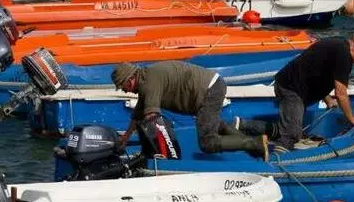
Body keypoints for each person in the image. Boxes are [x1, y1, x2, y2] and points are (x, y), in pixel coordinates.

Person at [236, 32, 354, 152]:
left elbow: (317, 71)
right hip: (291, 88)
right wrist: (352, 119)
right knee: (290, 136)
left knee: (290, 130)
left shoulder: (339, 44)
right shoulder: (344, 55)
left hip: (293, 86)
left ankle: (242, 125)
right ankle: (276, 161)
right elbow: (341, 93)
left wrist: (328, 99)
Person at [112, 60, 269, 160]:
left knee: (207, 142)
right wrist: (125, 137)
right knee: (216, 125)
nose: (124, 91)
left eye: (123, 87)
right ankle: (256, 148)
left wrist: (163, 154)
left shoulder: (149, 82)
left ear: (130, 79)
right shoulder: (146, 80)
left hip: (209, 90)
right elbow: (138, 114)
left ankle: (254, 143)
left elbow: (152, 116)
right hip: (210, 87)